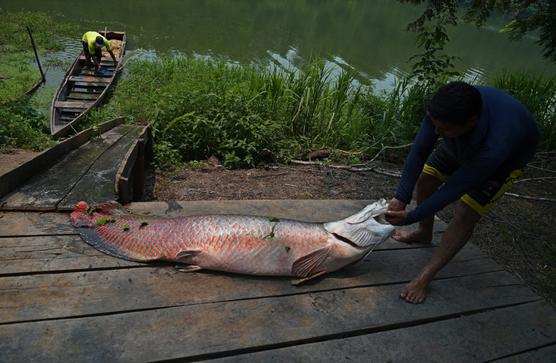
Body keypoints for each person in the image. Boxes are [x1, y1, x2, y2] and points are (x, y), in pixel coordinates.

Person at [385, 81, 538, 304]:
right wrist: (401, 196)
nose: (436, 132)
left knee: (466, 211)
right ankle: (424, 233)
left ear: (471, 122)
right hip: (462, 137)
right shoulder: (445, 112)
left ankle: (425, 277)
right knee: (427, 178)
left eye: (442, 129)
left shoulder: (496, 147)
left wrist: (411, 215)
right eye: (435, 125)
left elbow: (454, 189)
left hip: (508, 158)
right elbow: (418, 153)